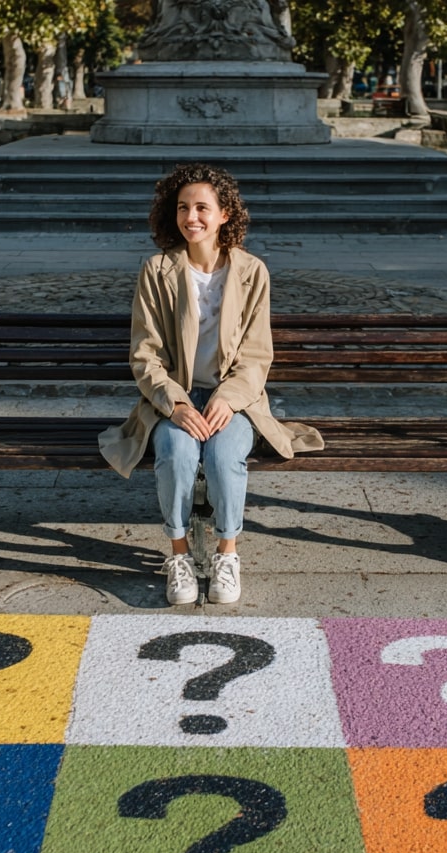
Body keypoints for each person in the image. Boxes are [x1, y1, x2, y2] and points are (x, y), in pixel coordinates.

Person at [98, 164, 324, 605]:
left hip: (233, 401)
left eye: (203, 207)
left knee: (223, 457)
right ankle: (179, 554)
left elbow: (257, 355)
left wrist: (228, 398)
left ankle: (227, 552)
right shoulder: (157, 270)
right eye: (183, 207)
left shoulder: (251, 271)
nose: (191, 217)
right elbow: (145, 354)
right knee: (176, 453)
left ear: (225, 214)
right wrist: (175, 404)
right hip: (175, 401)